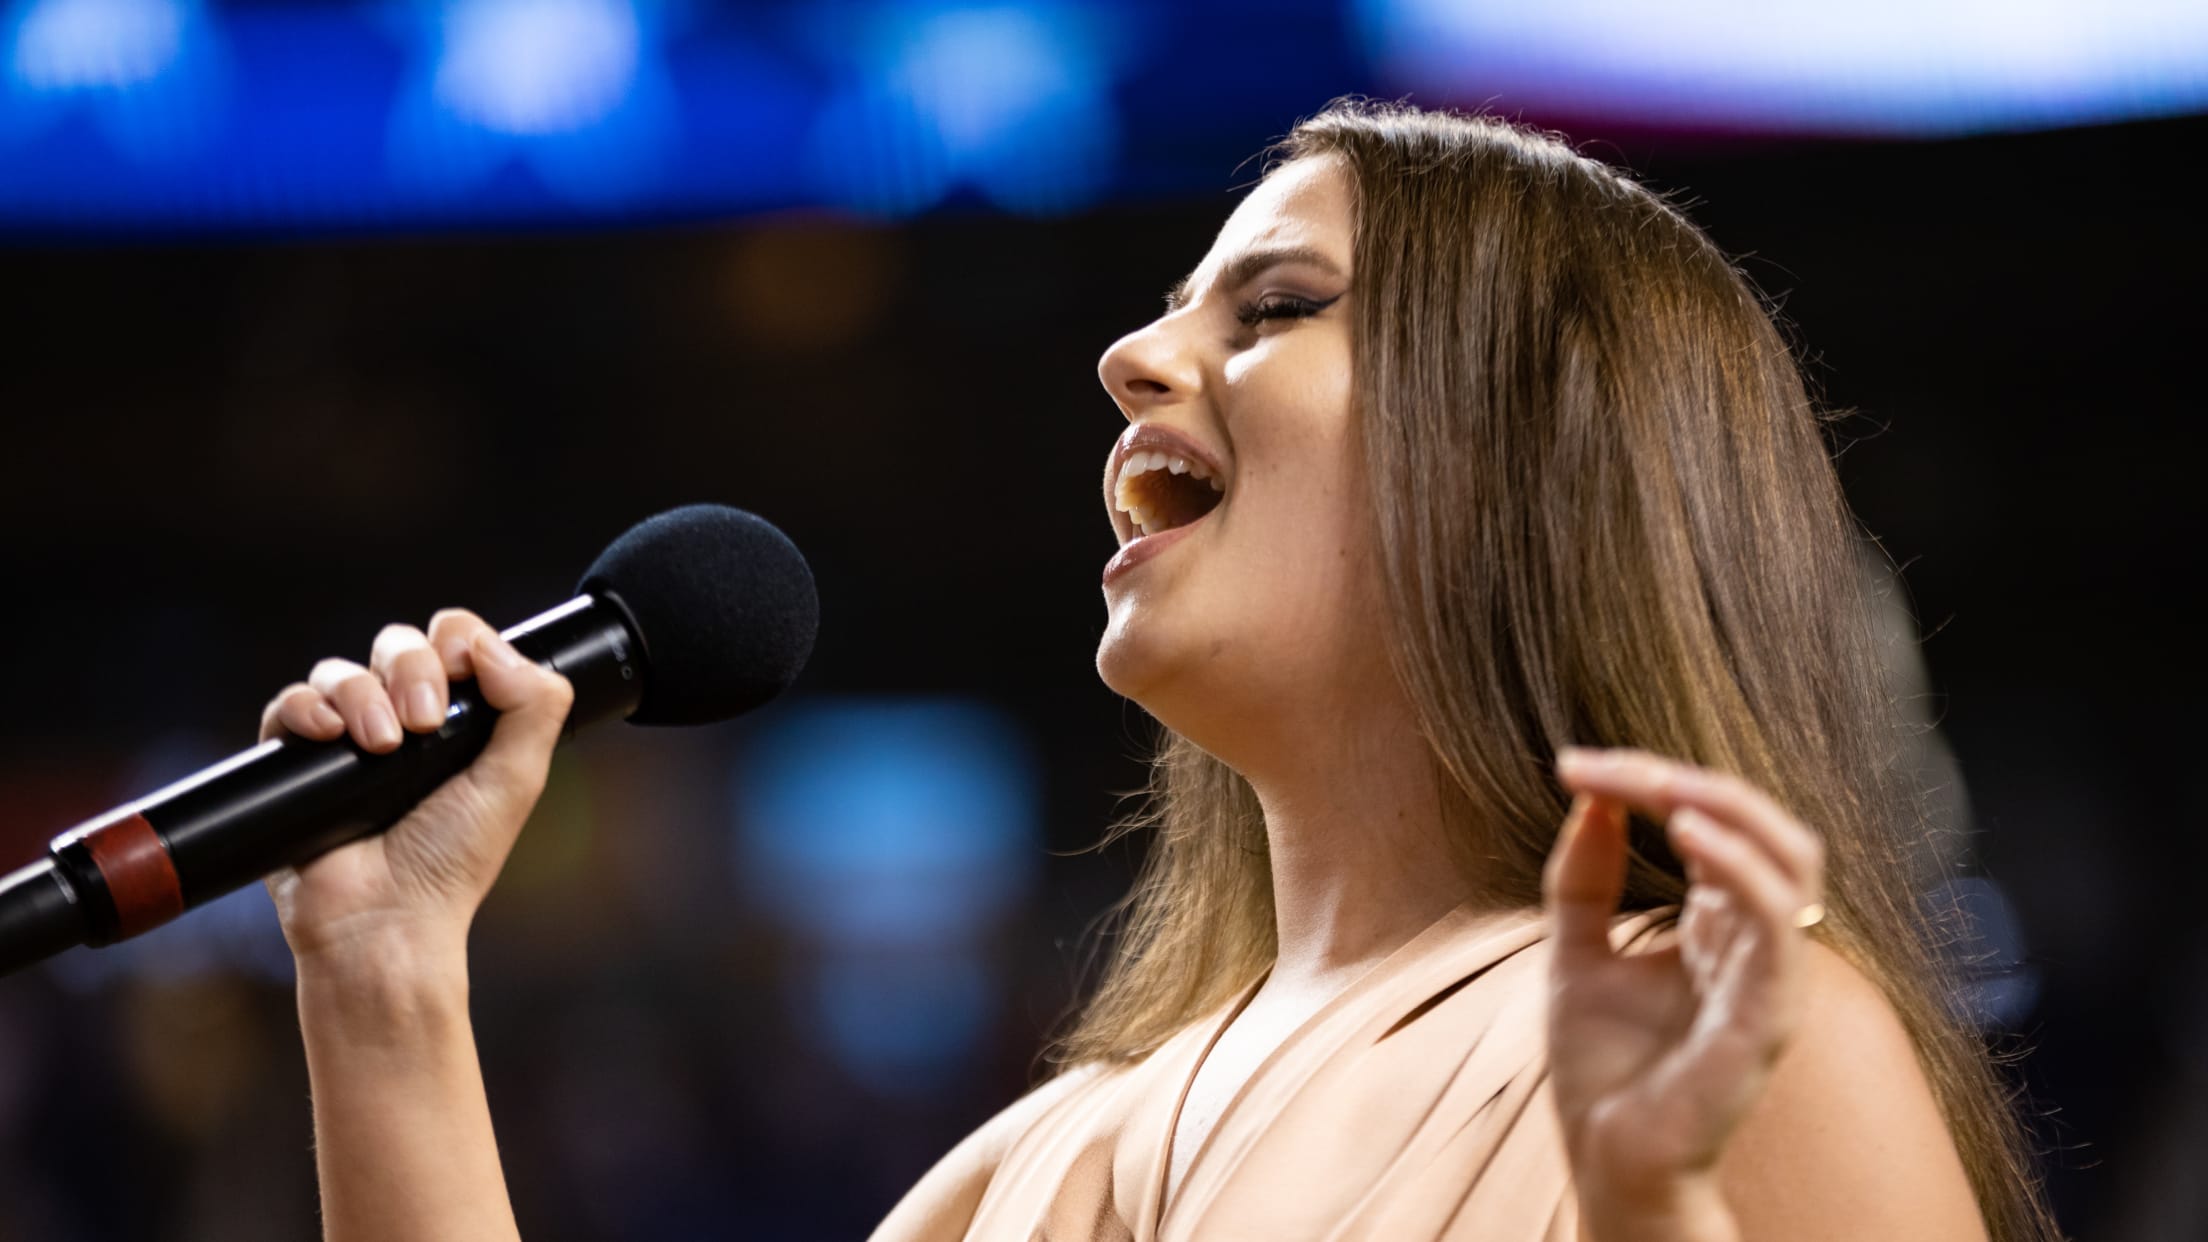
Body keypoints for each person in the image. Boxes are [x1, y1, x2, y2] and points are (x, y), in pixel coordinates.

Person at [260, 101, 2061, 1241]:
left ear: (1533, 446)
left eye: (1274, 307)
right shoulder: (1036, 1165)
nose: (1130, 356)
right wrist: (388, 980)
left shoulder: (1736, 1040)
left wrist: (1653, 1205)